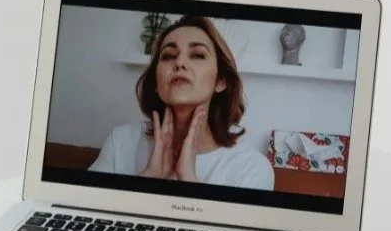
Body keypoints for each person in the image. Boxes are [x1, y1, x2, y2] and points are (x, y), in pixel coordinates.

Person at [88, 15, 274, 190]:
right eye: (168, 56)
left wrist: (188, 180)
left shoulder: (252, 168)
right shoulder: (121, 143)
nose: (179, 63)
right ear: (156, 82)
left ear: (221, 80)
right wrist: (148, 178)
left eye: (197, 55)